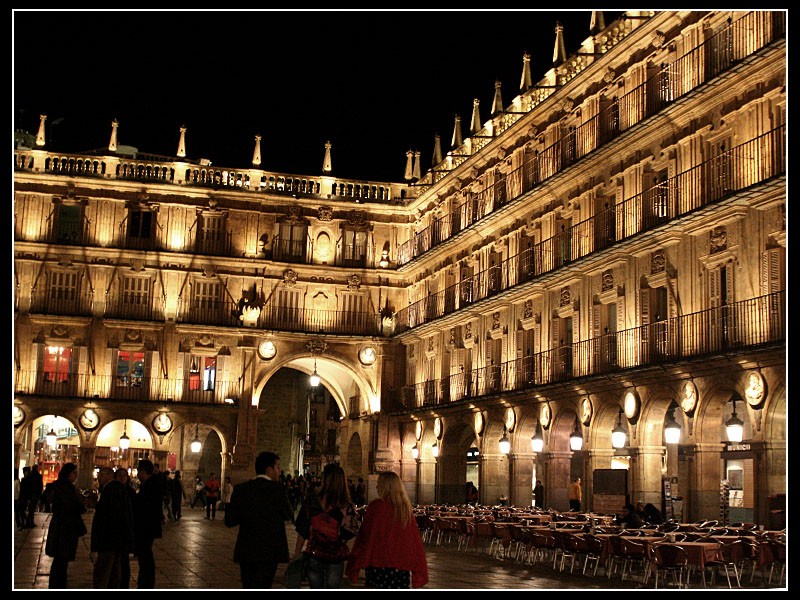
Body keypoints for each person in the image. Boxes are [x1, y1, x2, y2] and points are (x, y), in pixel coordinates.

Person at [345, 471, 428, 589]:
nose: (377, 486)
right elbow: (413, 539)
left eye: (379, 483)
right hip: (400, 565)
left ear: (385, 486)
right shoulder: (404, 509)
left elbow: (365, 536)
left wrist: (357, 559)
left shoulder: (376, 507)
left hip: (378, 563)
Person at [225, 451, 294, 588]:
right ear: (269, 470)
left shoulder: (241, 489)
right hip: (270, 550)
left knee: (248, 584)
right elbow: (289, 515)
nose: (279, 471)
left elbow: (230, 521)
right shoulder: (279, 490)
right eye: (278, 467)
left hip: (247, 550)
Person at [293, 463, 359, 588]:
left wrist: (296, 554)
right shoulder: (345, 505)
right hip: (335, 555)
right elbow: (351, 532)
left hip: (314, 553)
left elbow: (302, 529)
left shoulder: (312, 500)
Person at [91, 467, 135, 588]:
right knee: (114, 571)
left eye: (101, 475)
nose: (99, 477)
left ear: (108, 475)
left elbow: (109, 516)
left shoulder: (111, 490)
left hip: (109, 539)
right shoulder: (115, 489)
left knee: (103, 572)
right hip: (116, 539)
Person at [44, 463, 87, 588]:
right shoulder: (65, 488)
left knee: (61, 561)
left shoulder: (62, 486)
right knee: (61, 560)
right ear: (67, 474)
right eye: (74, 473)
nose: (76, 476)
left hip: (62, 526)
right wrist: (81, 505)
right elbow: (72, 505)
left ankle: (57, 585)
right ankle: (58, 586)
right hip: (64, 528)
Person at [133, 459, 163, 588]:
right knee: (145, 555)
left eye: (138, 471)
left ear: (143, 472)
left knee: (145, 555)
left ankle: (146, 583)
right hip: (149, 526)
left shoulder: (150, 485)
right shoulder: (150, 483)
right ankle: (145, 582)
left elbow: (145, 506)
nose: (137, 474)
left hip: (146, 527)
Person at [115, 468, 138, 588]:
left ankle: (124, 585)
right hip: (115, 531)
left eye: (124, 475)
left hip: (125, 530)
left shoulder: (130, 492)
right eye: (120, 475)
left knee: (124, 560)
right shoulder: (112, 490)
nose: (122, 477)